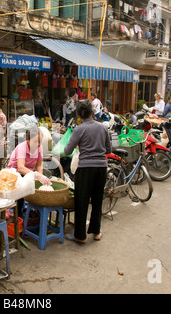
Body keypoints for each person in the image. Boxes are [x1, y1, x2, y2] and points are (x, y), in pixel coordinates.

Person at [64, 99, 111, 243]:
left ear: (79, 115)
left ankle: (80, 235)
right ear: (92, 112)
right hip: (101, 168)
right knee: (97, 200)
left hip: (85, 169)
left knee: (81, 201)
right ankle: (96, 232)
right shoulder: (103, 128)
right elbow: (108, 149)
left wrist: (80, 145)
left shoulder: (79, 129)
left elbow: (67, 151)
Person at [8, 126, 51, 217]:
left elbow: (39, 165)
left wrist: (40, 176)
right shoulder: (22, 147)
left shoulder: (40, 148)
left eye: (40, 141)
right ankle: (18, 216)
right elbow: (20, 168)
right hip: (16, 173)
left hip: (29, 173)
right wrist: (36, 175)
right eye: (35, 141)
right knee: (19, 195)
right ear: (28, 140)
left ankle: (34, 215)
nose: (38, 144)